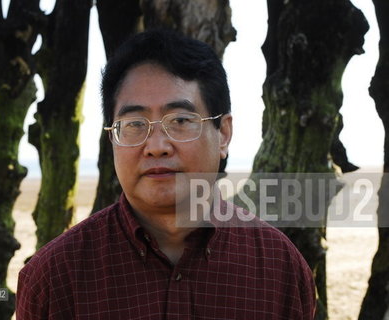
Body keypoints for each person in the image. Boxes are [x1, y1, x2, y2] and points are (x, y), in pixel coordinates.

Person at [16, 29, 316, 319]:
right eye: (134, 124)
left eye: (181, 120)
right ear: (112, 139)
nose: (157, 147)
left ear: (223, 134)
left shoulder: (281, 268)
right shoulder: (53, 278)